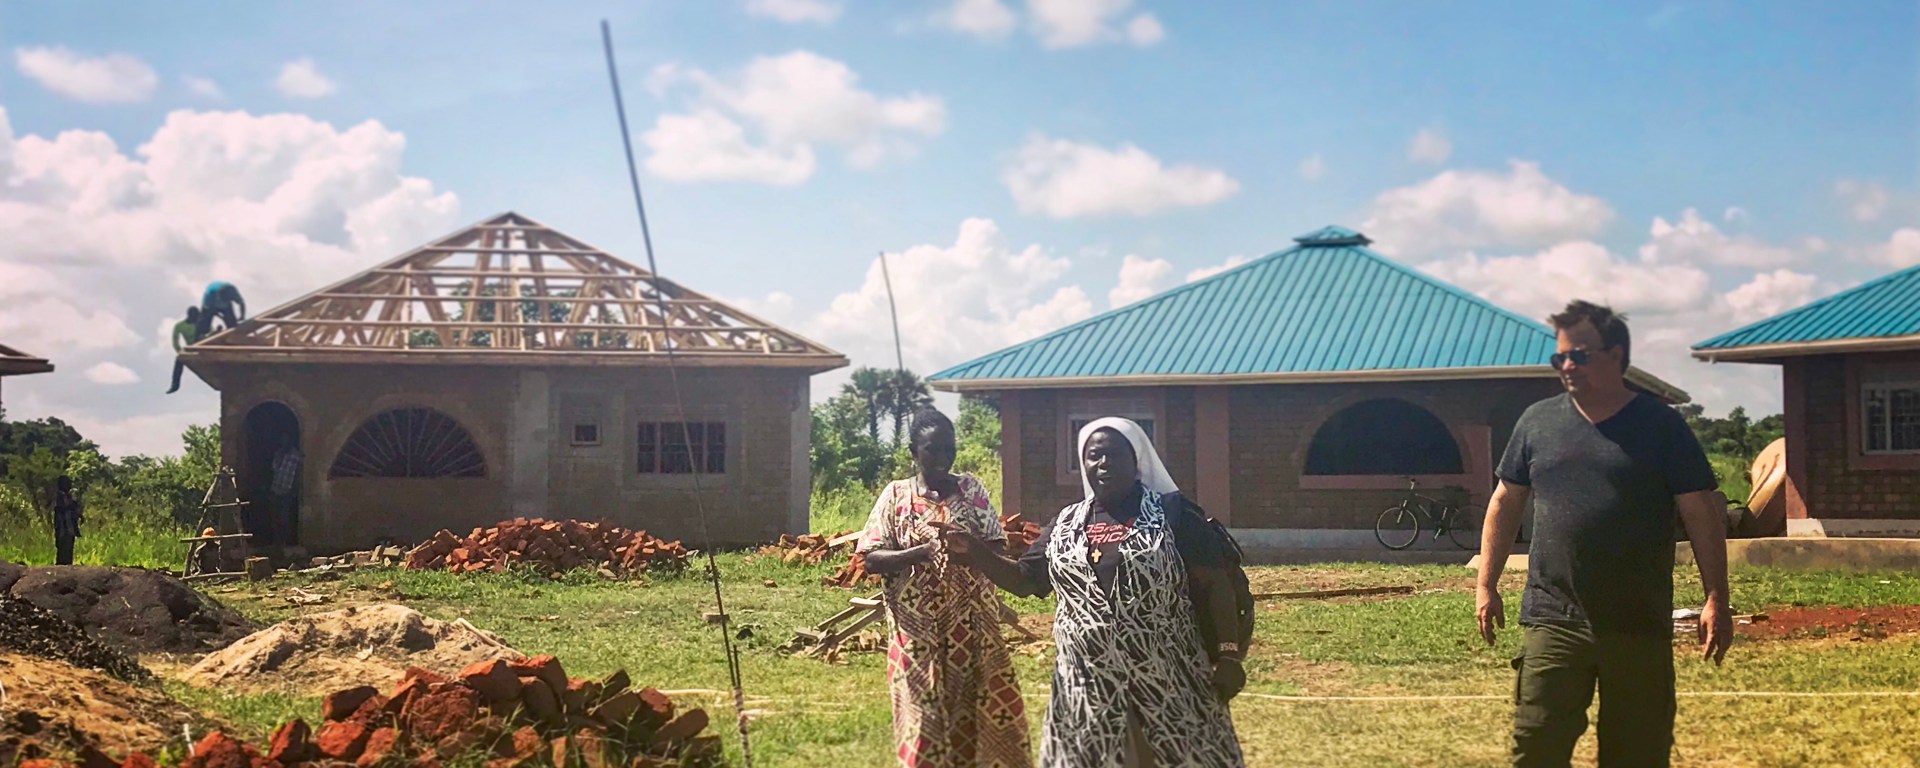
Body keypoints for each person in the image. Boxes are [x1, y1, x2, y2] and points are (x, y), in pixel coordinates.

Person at [1474, 300, 1732, 768]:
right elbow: (1505, 500)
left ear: (1616, 356)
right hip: (1554, 618)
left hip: (1637, 624)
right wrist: (1485, 585)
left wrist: (1716, 597)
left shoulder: (1661, 426)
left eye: (1579, 355)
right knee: (1536, 748)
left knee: (1636, 755)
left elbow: (1700, 510)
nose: (1567, 366)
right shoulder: (1537, 422)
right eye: (1560, 357)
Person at [941, 417, 1245, 767]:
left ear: (1136, 461)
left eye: (1114, 455)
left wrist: (1229, 656)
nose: (1104, 463)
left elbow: (1216, 585)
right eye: (1094, 455)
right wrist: (975, 551)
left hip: (1168, 682)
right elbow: (1025, 581)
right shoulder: (1065, 524)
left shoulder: (1173, 515)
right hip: (1086, 690)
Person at [857, 409, 1032, 768]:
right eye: (931, 449)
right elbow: (871, 558)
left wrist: (967, 548)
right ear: (913, 452)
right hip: (915, 635)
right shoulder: (896, 496)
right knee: (923, 726)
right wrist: (919, 552)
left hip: (974, 631)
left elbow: (997, 548)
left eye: (948, 449)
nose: (941, 457)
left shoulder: (971, 491)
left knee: (981, 720)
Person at [268, 438, 303, 546]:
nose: (284, 442)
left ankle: (286, 542)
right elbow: (274, 470)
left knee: (285, 516)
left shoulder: (296, 455)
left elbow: (299, 472)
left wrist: (295, 489)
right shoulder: (278, 454)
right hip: (275, 488)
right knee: (274, 516)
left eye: (286, 439)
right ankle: (277, 541)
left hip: (287, 490)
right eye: (282, 440)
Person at [167, 306, 203, 394]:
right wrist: (181, 353)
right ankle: (175, 385)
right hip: (192, 348)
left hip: (205, 347)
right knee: (179, 359)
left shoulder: (202, 323)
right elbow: (175, 342)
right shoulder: (180, 326)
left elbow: (213, 333)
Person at [52, 475, 82, 566]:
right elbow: (60, 508)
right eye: (68, 483)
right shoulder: (58, 496)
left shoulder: (69, 496)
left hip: (69, 528)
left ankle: (68, 565)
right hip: (62, 527)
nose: (70, 485)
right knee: (62, 548)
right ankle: (61, 566)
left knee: (69, 548)